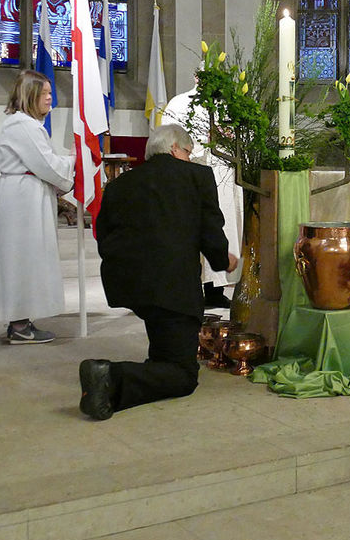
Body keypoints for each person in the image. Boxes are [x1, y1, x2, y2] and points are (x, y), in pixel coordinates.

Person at [79, 124, 237, 420]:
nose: (190, 158)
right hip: (173, 286)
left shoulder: (120, 184)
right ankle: (110, 376)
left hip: (129, 284)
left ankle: (147, 368)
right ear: (176, 149)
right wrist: (222, 260)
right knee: (183, 375)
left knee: (165, 344)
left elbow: (104, 232)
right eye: (189, 153)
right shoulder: (196, 177)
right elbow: (209, 229)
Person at [0, 70, 74, 344]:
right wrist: (75, 163)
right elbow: (47, 165)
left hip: (25, 197)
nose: (51, 99)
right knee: (20, 259)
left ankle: (21, 321)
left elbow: (43, 161)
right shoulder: (22, 126)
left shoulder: (24, 124)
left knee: (27, 259)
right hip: (20, 202)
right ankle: (19, 325)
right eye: (46, 94)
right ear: (30, 96)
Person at [162, 88, 244, 309]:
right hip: (192, 173)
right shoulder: (179, 103)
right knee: (192, 231)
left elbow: (245, 136)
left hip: (224, 174)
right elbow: (168, 138)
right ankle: (189, 289)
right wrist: (202, 141)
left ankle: (215, 290)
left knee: (220, 228)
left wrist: (232, 137)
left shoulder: (231, 103)